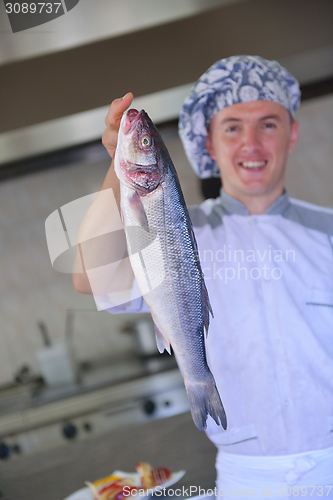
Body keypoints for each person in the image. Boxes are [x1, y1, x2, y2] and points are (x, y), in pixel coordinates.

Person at [73, 56, 333, 496]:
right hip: (246, 480)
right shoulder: (175, 227)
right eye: (231, 127)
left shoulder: (327, 230)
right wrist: (120, 159)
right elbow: (91, 276)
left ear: (292, 134)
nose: (250, 143)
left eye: (268, 124)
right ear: (208, 142)